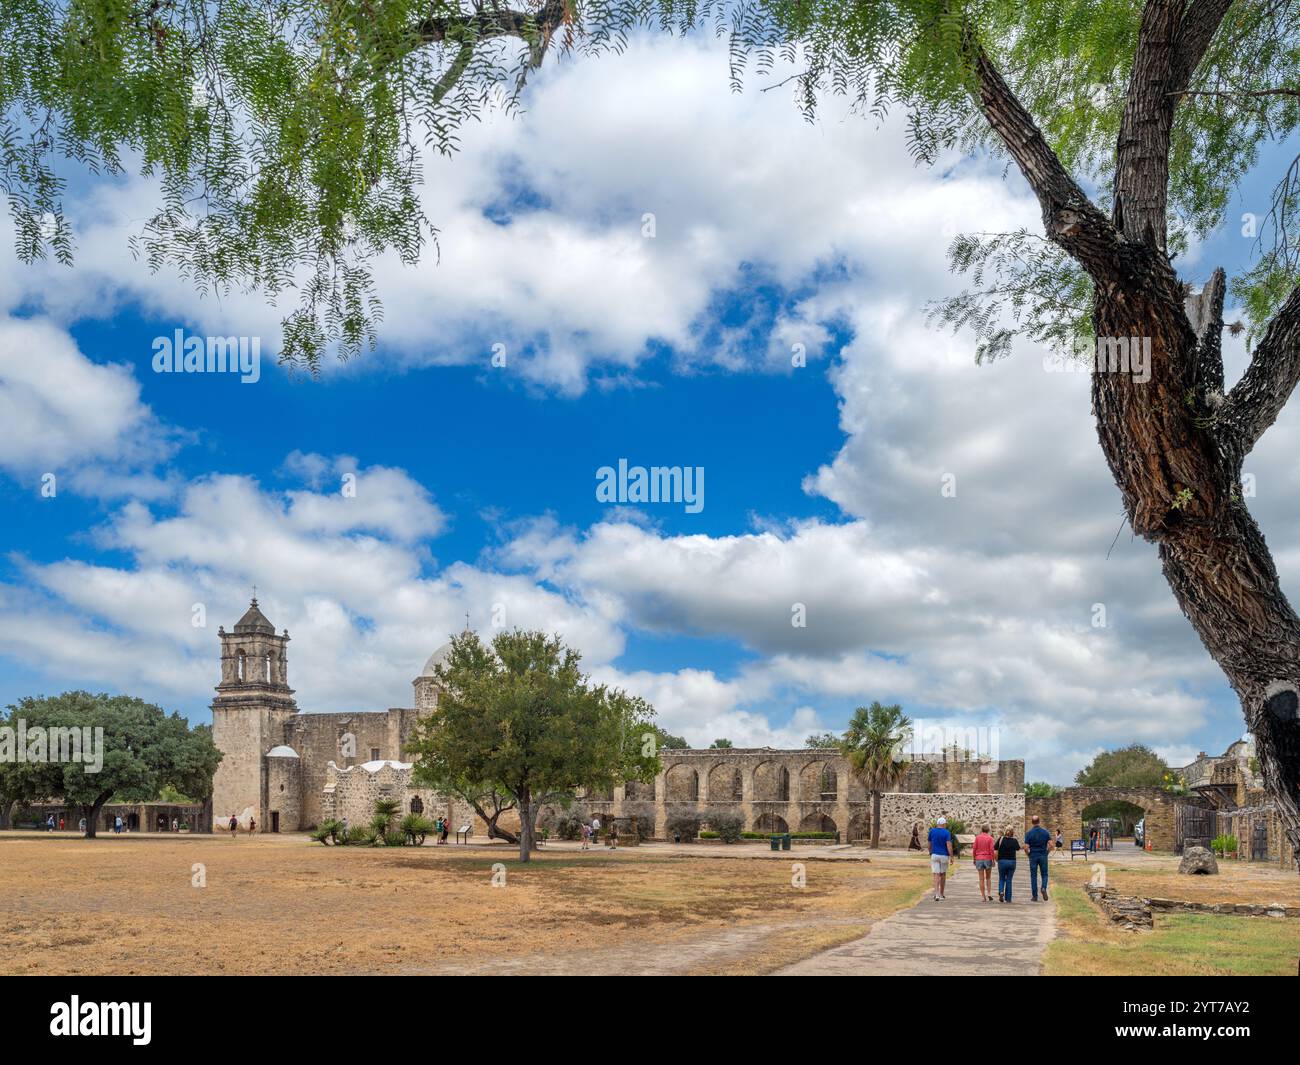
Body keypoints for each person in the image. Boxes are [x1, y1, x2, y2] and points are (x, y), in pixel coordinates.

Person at [1024, 815, 1051, 901]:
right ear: (1039, 821)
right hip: (1043, 854)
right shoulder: (1045, 832)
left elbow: (1025, 847)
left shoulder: (1029, 833)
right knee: (1044, 874)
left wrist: (1028, 854)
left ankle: (1035, 896)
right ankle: (1043, 887)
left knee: (1033, 876)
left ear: (1032, 822)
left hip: (1033, 855)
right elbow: (1051, 845)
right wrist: (1047, 852)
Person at [927, 816, 953, 901]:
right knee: (943, 874)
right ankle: (942, 894)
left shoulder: (932, 831)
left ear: (938, 824)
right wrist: (951, 856)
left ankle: (936, 894)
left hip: (934, 854)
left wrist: (930, 852)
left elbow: (929, 844)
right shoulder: (946, 832)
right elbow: (948, 845)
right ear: (943, 824)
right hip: (944, 855)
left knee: (936, 874)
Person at [972, 824, 997, 902]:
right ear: (988, 830)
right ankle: (989, 893)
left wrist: (974, 858)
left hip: (979, 858)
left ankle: (983, 896)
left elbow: (974, 849)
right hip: (988, 858)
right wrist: (993, 860)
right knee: (988, 877)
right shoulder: (990, 838)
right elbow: (991, 850)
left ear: (981, 830)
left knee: (981, 878)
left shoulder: (977, 838)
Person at [996, 826, 1021, 902]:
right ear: (1012, 832)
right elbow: (1018, 848)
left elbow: (995, 848)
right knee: (1009, 880)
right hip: (1011, 862)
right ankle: (1008, 898)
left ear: (1005, 831)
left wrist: (996, 858)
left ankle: (1001, 892)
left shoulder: (1001, 839)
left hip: (1002, 861)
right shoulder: (1014, 840)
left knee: (1002, 878)